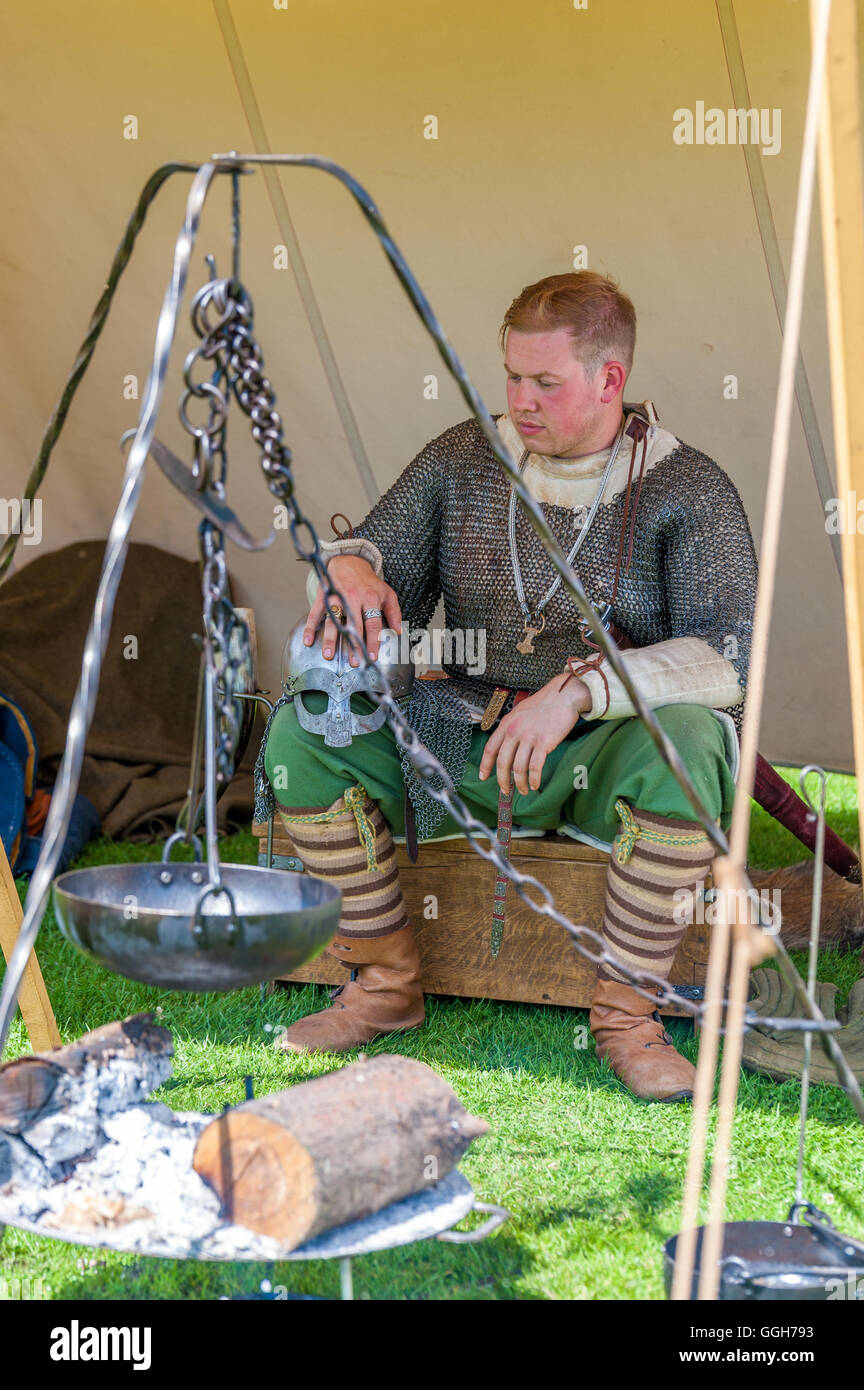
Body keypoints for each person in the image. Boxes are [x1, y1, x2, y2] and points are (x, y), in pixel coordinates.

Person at [255, 270, 757, 1102]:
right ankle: (384, 987)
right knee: (305, 727)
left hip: (595, 752)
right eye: (513, 376)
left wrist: (576, 694)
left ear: (610, 380)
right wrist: (346, 567)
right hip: (460, 738)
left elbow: (724, 657)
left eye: (545, 383)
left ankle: (627, 1018)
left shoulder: (686, 487)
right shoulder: (467, 458)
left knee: (695, 741)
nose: (521, 400)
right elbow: (378, 561)